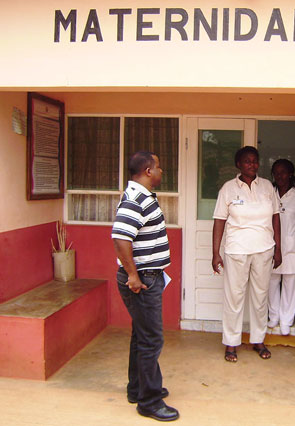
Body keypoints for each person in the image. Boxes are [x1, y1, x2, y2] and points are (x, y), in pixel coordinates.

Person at [111, 151, 179, 422]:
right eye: (159, 167)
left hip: (149, 276)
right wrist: (133, 275)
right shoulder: (135, 199)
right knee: (152, 339)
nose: (162, 172)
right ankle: (149, 402)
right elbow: (120, 237)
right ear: (149, 171)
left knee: (141, 336)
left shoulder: (144, 196)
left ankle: (137, 388)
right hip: (141, 280)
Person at [212, 146, 282, 362]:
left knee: (260, 296)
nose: (252, 164)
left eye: (255, 161)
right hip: (236, 250)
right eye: (247, 161)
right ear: (238, 165)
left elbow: (276, 217)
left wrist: (278, 248)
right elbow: (219, 221)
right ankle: (231, 343)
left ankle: (258, 340)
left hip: (263, 249)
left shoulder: (267, 187)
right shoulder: (228, 189)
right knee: (234, 297)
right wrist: (215, 253)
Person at [267, 159, 295, 336]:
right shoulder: (269, 193)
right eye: (276, 172)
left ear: (290, 173)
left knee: (291, 284)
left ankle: (286, 321)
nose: (279, 176)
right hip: (271, 245)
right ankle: (273, 317)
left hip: (292, 246)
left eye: (283, 172)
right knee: (271, 282)